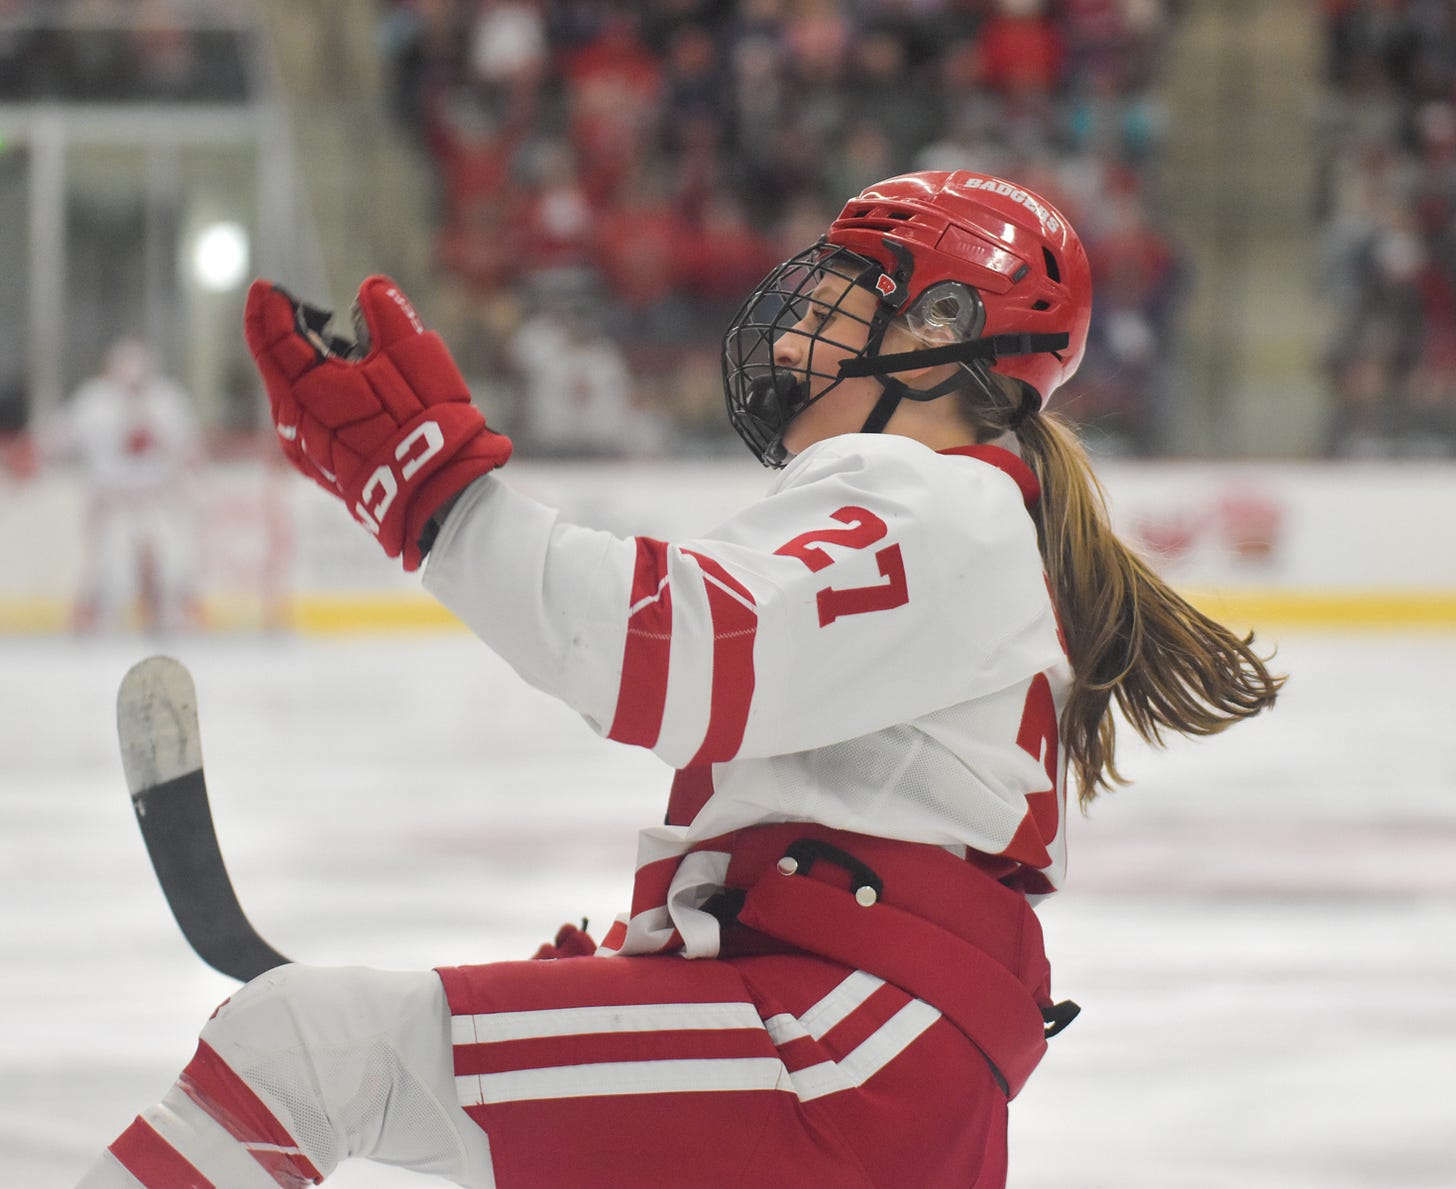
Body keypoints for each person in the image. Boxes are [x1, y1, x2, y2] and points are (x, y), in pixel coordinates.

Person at [76, 171, 1282, 1188]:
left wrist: (443, 503)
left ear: (941, 329)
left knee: (310, 1048)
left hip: (841, 1062)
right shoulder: (958, 514)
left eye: (847, 298)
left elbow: (672, 658)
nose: (799, 326)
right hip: (866, 1062)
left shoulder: (933, 496)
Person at [36, 338, 202, 633]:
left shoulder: (167, 401)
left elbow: (187, 449)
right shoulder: (94, 401)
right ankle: (92, 622)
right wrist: (37, 453)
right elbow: (61, 436)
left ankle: (164, 617)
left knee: (168, 563)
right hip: (112, 502)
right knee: (109, 572)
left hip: (155, 500)